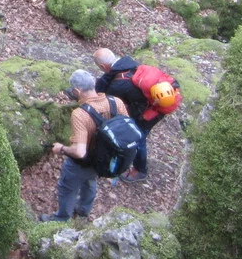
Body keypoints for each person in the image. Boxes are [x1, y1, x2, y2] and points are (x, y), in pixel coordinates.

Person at [39, 69, 129, 223]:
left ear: (77, 91)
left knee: (67, 187)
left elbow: (80, 152)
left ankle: (62, 217)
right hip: (105, 159)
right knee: (90, 182)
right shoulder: (116, 102)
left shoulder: (80, 114)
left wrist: (61, 148)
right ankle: (83, 211)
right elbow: (126, 128)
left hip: (83, 162)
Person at [94, 48, 156, 183]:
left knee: (139, 138)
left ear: (103, 66)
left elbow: (112, 104)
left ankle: (140, 170)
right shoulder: (127, 62)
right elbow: (109, 77)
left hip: (149, 112)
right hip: (149, 104)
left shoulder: (118, 86)